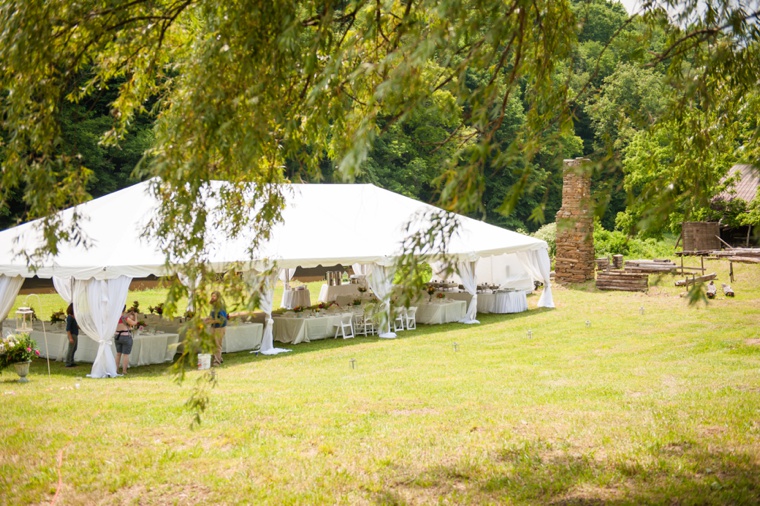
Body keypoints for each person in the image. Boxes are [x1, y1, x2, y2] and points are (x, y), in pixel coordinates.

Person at [206, 291, 228, 367]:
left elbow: (223, 319)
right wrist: (207, 320)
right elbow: (212, 315)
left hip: (220, 328)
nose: (212, 298)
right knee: (213, 343)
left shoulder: (220, 307)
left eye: (214, 296)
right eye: (212, 296)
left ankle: (217, 362)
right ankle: (219, 358)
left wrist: (212, 321)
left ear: (218, 297)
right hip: (213, 327)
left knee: (217, 344)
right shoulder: (213, 306)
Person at [114, 305, 137, 376]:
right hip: (125, 336)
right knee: (126, 354)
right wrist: (136, 317)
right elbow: (134, 323)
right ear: (124, 310)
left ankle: (116, 369)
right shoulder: (125, 318)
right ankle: (124, 370)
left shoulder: (114, 318)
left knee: (118, 354)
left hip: (117, 336)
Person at [65, 303, 79, 367]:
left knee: (74, 348)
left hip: (75, 334)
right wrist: (70, 337)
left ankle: (71, 360)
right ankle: (68, 362)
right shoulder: (70, 317)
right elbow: (68, 329)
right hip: (72, 334)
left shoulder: (74, 317)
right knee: (70, 349)